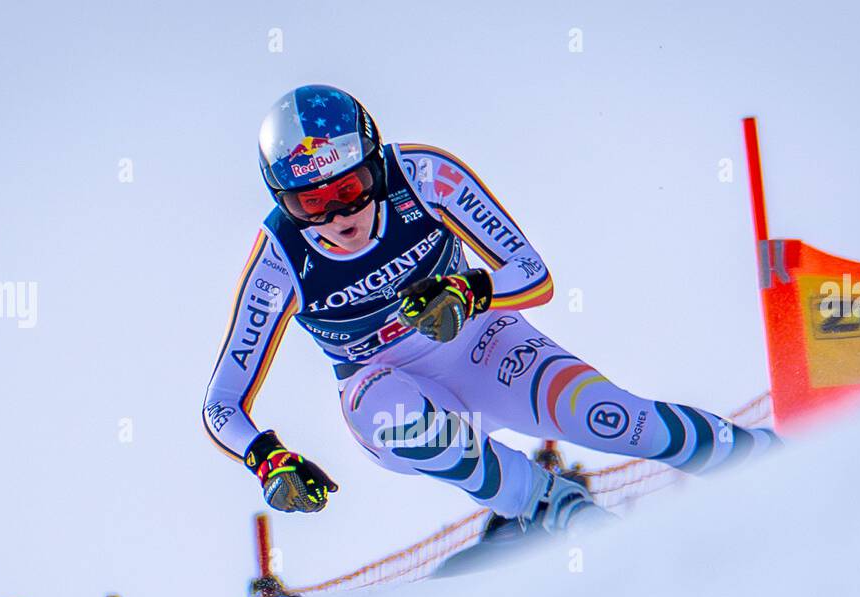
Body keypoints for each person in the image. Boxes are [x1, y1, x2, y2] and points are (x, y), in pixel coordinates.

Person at [203, 84, 778, 533]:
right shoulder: (278, 258)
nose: (335, 217)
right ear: (284, 202)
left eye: (349, 189)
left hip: (482, 344)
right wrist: (267, 459)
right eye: (312, 202)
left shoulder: (424, 176)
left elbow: (533, 274)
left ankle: (776, 461)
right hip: (381, 385)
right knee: (400, 416)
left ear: (375, 166)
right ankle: (555, 510)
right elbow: (221, 401)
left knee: (618, 421)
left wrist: (470, 292)